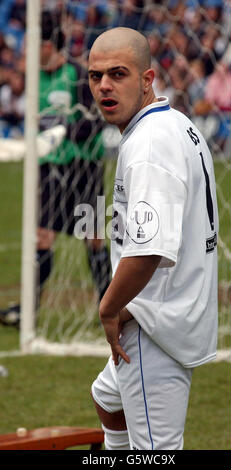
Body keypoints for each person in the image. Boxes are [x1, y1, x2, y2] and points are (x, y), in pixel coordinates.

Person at [88, 27, 219, 450]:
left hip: (153, 325)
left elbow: (148, 251)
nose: (104, 85)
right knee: (107, 397)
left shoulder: (147, 145)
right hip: (171, 308)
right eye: (95, 76)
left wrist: (110, 307)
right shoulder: (175, 122)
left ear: (147, 80)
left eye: (118, 73)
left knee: (157, 454)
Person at [0, 11, 111, 327]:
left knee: (94, 237)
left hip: (84, 167)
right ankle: (28, 312)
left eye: (34, 46)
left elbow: (95, 121)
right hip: (50, 168)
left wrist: (63, 133)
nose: (28, 53)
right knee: (42, 236)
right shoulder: (34, 80)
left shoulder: (77, 75)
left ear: (48, 45)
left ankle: (110, 305)